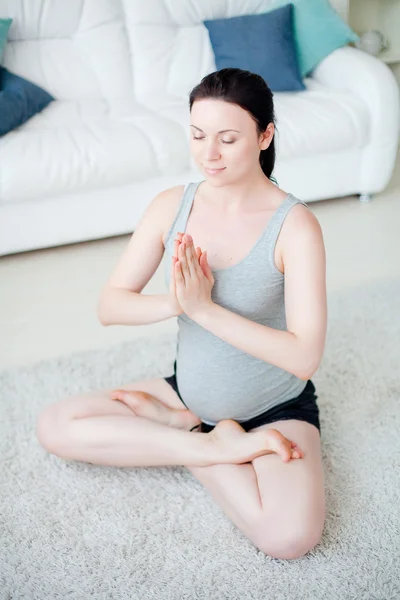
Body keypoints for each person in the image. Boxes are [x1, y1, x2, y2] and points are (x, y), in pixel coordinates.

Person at [36, 68, 327, 559]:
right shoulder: (172, 205)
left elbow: (304, 357)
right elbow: (110, 305)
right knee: (56, 425)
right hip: (187, 390)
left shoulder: (295, 226)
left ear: (264, 136)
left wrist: (203, 310)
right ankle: (202, 440)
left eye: (227, 138)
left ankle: (184, 433)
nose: (207, 153)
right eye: (197, 135)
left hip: (276, 409)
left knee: (290, 538)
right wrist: (175, 303)